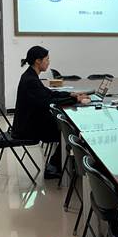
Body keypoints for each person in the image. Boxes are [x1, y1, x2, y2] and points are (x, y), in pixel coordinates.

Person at [12, 46, 88, 179]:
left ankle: (63, 163)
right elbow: (48, 101)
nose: (48, 62)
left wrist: (70, 95)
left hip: (31, 122)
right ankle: (53, 167)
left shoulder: (31, 75)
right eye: (47, 59)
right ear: (38, 61)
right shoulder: (30, 80)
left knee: (67, 127)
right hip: (27, 129)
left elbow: (48, 93)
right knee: (69, 131)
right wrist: (74, 99)